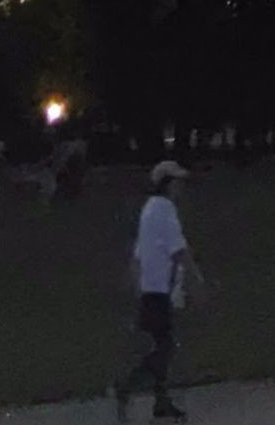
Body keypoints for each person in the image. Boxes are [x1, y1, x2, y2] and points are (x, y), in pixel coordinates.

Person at [113, 158, 196, 420]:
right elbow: (179, 250)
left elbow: (137, 256)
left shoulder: (149, 210)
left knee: (162, 344)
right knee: (165, 346)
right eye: (177, 182)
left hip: (150, 288)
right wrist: (196, 279)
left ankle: (160, 401)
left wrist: (137, 285)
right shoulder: (164, 210)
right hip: (159, 289)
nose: (181, 187)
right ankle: (128, 384)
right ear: (167, 184)